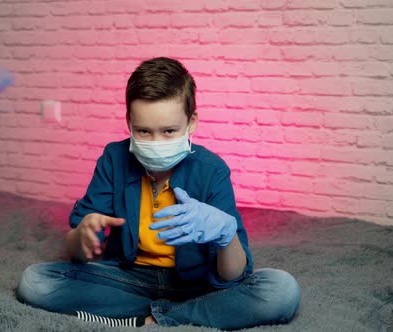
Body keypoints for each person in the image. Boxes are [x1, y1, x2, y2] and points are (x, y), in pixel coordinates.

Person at [17, 57, 301, 329]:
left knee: (281, 290)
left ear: (191, 123)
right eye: (143, 131)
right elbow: (79, 251)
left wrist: (226, 235)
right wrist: (81, 238)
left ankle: (153, 321)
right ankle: (179, 317)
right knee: (35, 282)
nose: (156, 142)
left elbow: (233, 276)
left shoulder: (212, 170)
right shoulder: (114, 160)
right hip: (130, 281)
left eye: (168, 131)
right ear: (128, 122)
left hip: (197, 286)